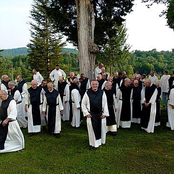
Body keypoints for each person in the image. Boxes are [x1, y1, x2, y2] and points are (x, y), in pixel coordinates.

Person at [81, 80, 109, 150]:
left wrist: (105, 113)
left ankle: (100, 142)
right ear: (91, 85)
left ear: (98, 85)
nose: (95, 86)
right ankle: (92, 144)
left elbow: (105, 103)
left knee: (101, 128)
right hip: (91, 115)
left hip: (100, 114)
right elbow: (83, 103)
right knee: (92, 130)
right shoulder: (87, 93)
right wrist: (86, 113)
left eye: (96, 84)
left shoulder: (102, 92)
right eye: (93, 84)